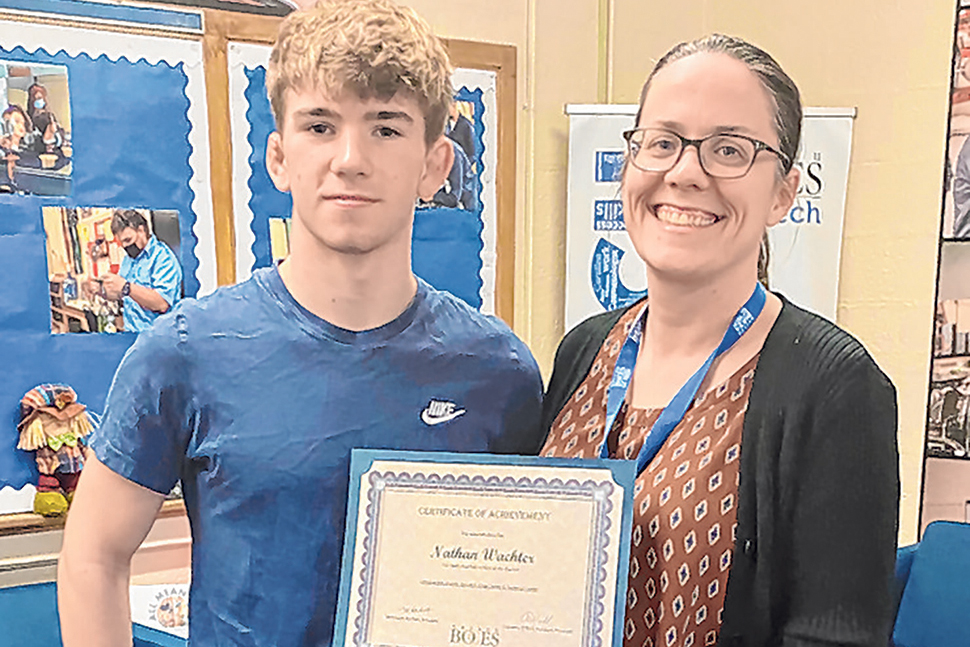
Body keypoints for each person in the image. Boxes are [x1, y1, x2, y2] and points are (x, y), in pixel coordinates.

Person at [57, 1, 543, 645]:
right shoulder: (184, 354)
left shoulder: (497, 372)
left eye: (386, 128)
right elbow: (93, 555)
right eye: (320, 125)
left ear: (434, 166)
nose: (350, 158)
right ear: (279, 158)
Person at [538, 35, 899, 647]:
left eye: (728, 150)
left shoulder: (836, 387)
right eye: (662, 143)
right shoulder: (584, 352)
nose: (685, 173)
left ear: (783, 194)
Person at [93, 209, 182, 333]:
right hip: (131, 333)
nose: (125, 246)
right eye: (122, 243)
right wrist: (101, 290)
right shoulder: (128, 261)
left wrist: (126, 287)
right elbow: (120, 294)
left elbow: (162, 303)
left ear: (141, 230)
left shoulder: (162, 258)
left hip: (158, 337)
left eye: (128, 240)